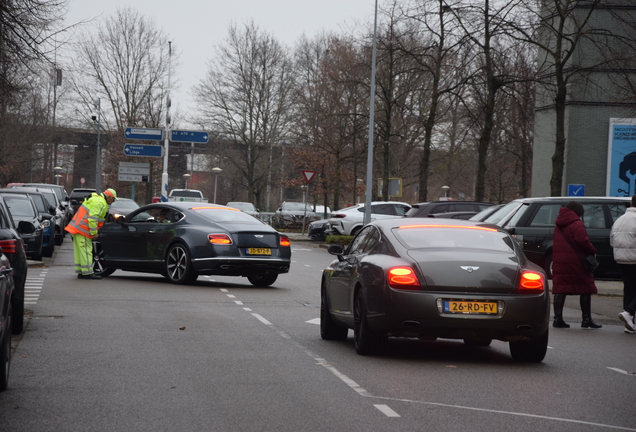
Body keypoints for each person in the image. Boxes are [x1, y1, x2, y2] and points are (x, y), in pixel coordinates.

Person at [552, 201, 602, 329]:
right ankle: (586, 319)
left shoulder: (558, 224)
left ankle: (558, 318)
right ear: (578, 211)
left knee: (560, 287)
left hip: (560, 260)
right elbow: (583, 242)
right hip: (576, 261)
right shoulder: (577, 224)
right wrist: (593, 250)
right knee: (586, 287)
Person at [64, 188, 117, 280]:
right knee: (87, 251)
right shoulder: (100, 203)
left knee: (80, 252)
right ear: (109, 197)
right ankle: (88, 273)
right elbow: (92, 219)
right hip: (83, 230)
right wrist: (94, 233)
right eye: (113, 199)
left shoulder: (95, 199)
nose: (113, 201)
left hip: (78, 228)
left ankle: (81, 271)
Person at [609, 194, 636, 334]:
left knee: (629, 288)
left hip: (621, 259)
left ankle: (629, 323)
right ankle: (629, 313)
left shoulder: (620, 219)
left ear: (631, 204)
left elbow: (612, 240)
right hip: (634, 258)